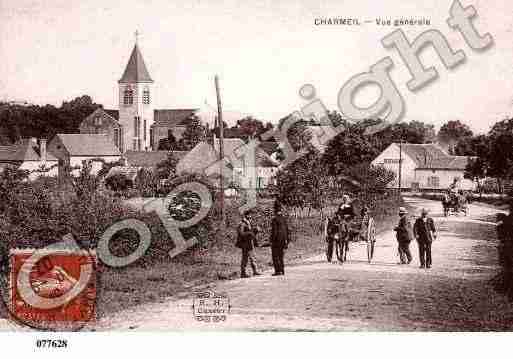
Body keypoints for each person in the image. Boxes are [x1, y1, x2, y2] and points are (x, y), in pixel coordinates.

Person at [236, 210, 261, 278]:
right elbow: (241, 233)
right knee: (245, 258)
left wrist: (255, 230)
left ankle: (255, 271)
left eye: (251, 215)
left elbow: (251, 233)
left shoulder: (249, 223)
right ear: (246, 215)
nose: (251, 217)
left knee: (253, 257)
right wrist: (250, 233)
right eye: (249, 215)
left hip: (250, 242)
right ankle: (243, 272)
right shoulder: (242, 224)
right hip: (245, 243)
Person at [270, 204, 290, 276]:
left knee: (275, 256)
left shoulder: (275, 219)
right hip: (283, 241)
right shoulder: (284, 219)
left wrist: (271, 240)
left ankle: (278, 271)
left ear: (275, 211)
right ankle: (282, 270)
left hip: (277, 241)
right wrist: (287, 240)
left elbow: (274, 231)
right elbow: (287, 230)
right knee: (281, 256)